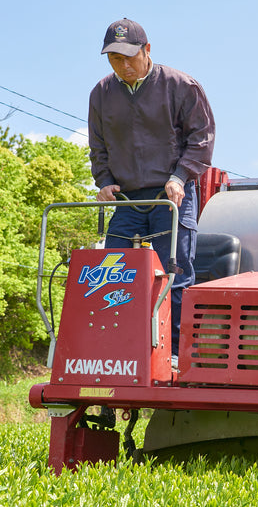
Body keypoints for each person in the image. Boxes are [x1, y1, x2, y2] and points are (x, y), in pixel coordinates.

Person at [88, 18, 215, 357]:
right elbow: (98, 147)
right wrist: (103, 182)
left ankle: (172, 354)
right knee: (113, 274)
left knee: (173, 273)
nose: (124, 65)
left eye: (130, 57)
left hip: (171, 194)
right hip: (126, 199)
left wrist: (180, 176)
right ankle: (113, 350)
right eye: (115, 59)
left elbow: (201, 139)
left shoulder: (181, 86)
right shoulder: (101, 94)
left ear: (147, 50)